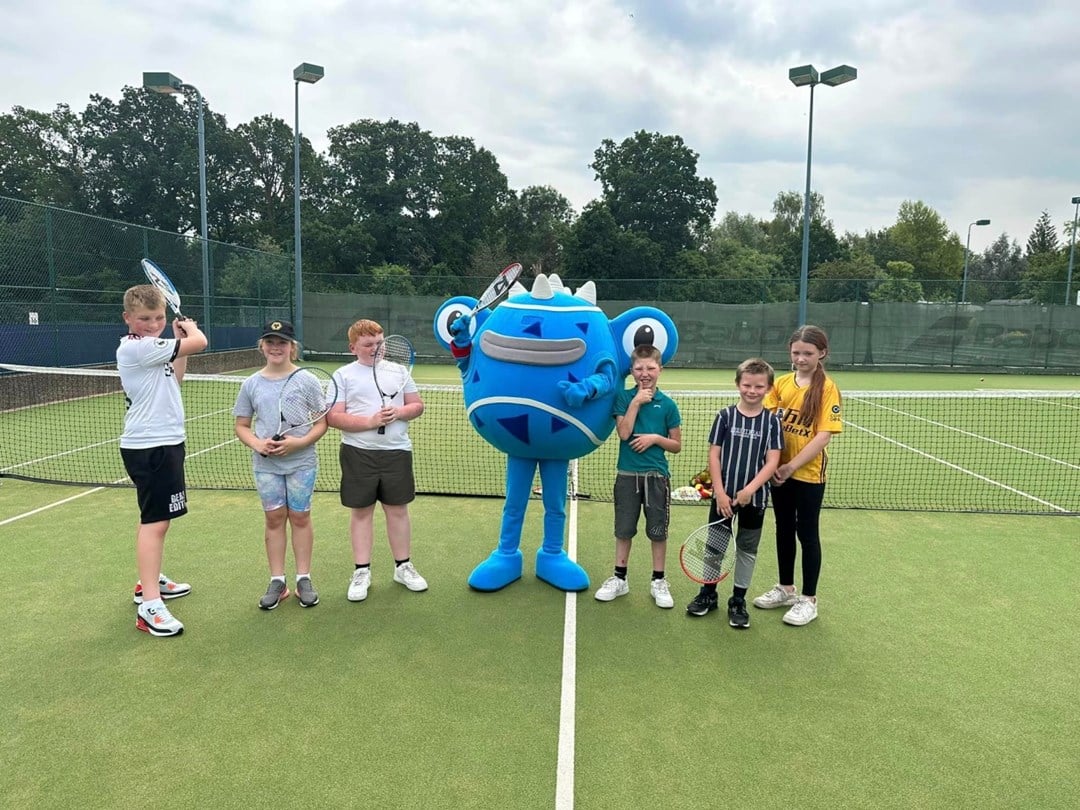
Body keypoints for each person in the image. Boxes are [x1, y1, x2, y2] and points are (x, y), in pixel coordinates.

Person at [118, 284, 207, 637]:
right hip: (150, 446)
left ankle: (148, 581)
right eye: (144, 319)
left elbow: (177, 377)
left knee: (156, 519)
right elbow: (200, 343)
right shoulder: (136, 348)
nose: (153, 324)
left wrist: (178, 342)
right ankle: (150, 606)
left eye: (158, 318)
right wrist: (192, 332)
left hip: (167, 441)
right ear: (128, 318)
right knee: (155, 523)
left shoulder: (156, 350)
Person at [325, 319, 428, 601]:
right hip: (358, 453)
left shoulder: (399, 372)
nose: (375, 349)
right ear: (353, 347)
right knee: (361, 513)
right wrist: (371, 420)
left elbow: (417, 405)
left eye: (379, 343)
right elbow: (333, 417)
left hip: (397, 451)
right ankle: (361, 571)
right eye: (368, 344)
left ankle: (403, 567)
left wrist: (400, 413)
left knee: (398, 511)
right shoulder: (343, 375)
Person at [233, 320, 327, 610]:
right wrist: (258, 444)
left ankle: (303, 578)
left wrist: (298, 443)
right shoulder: (251, 384)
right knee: (274, 519)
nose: (276, 347)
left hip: (302, 463)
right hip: (266, 467)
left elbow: (321, 423)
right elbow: (242, 426)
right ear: (262, 346)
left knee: (300, 517)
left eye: (282, 342)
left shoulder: (307, 380)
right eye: (270, 342)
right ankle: (277, 581)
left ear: (291, 347)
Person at [752, 325, 843, 627]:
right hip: (778, 473)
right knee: (782, 529)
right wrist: (772, 465)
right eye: (796, 353)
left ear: (822, 354)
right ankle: (785, 588)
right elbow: (766, 422)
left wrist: (791, 467)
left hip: (807, 475)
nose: (801, 359)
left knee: (807, 533)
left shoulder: (828, 388)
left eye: (808, 353)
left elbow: (823, 436)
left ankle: (809, 599)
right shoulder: (780, 383)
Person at [686, 358, 783, 628]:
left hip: (755, 500)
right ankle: (708, 593)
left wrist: (750, 490)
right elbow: (714, 455)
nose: (752, 391)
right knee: (715, 547)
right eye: (747, 385)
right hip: (723, 498)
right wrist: (719, 491)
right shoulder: (725, 416)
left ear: (768, 388)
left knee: (746, 549)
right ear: (738, 384)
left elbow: (772, 461)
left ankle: (738, 600)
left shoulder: (772, 422)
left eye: (759, 386)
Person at [595, 344, 682, 608]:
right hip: (627, 475)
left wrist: (655, 438)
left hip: (657, 477)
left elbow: (676, 445)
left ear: (660, 370)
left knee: (657, 531)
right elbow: (623, 433)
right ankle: (620, 578)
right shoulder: (623, 397)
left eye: (651, 368)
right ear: (631, 370)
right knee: (623, 530)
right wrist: (635, 402)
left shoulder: (668, 405)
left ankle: (658, 580)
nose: (645, 373)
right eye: (639, 368)